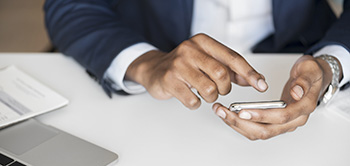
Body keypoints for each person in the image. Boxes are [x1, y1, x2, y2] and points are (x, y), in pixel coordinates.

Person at [44, 0, 350, 140]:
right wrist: (146, 63)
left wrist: (331, 63)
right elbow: (70, 5)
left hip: (299, 54)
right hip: (153, 84)